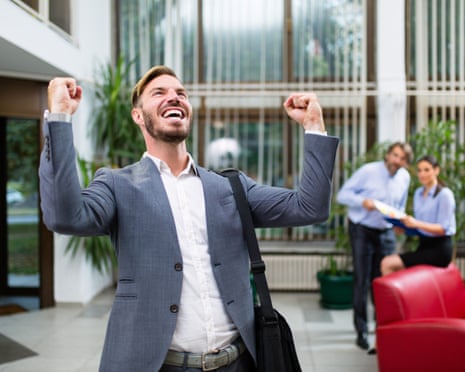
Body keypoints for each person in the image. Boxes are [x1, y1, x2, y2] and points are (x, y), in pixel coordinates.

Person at [39, 65, 340, 372]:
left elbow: (310, 207)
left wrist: (314, 125)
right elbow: (64, 216)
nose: (174, 97)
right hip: (158, 365)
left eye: (181, 93)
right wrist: (60, 118)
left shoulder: (230, 187)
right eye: (159, 93)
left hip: (237, 363)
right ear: (138, 116)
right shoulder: (117, 185)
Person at [336, 142, 413, 352]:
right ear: (388, 155)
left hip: (386, 231)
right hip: (362, 229)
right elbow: (342, 195)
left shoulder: (405, 178)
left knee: (382, 282)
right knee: (362, 279)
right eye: (395, 155)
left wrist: (399, 223)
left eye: (402, 159)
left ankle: (382, 331)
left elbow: (400, 205)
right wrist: (363, 201)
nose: (397, 161)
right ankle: (361, 331)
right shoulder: (368, 171)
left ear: (405, 162)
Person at [381, 155, 456, 275]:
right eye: (419, 170)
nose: (422, 174)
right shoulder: (418, 194)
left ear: (436, 170)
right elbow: (421, 227)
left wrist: (416, 223)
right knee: (396, 267)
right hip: (423, 245)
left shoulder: (445, 195)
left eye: (427, 170)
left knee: (387, 263)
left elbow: (443, 229)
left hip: (439, 250)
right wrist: (405, 228)